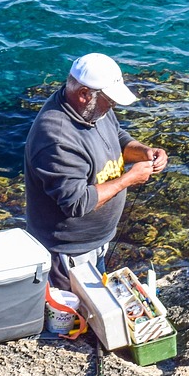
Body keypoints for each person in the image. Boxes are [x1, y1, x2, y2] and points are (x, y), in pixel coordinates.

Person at [25, 52, 169, 288]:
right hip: (69, 253)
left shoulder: (92, 108)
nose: (112, 106)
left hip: (96, 242)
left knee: (97, 304)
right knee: (73, 315)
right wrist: (129, 179)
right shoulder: (57, 138)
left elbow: (118, 138)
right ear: (83, 94)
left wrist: (144, 151)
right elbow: (76, 203)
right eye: (110, 100)